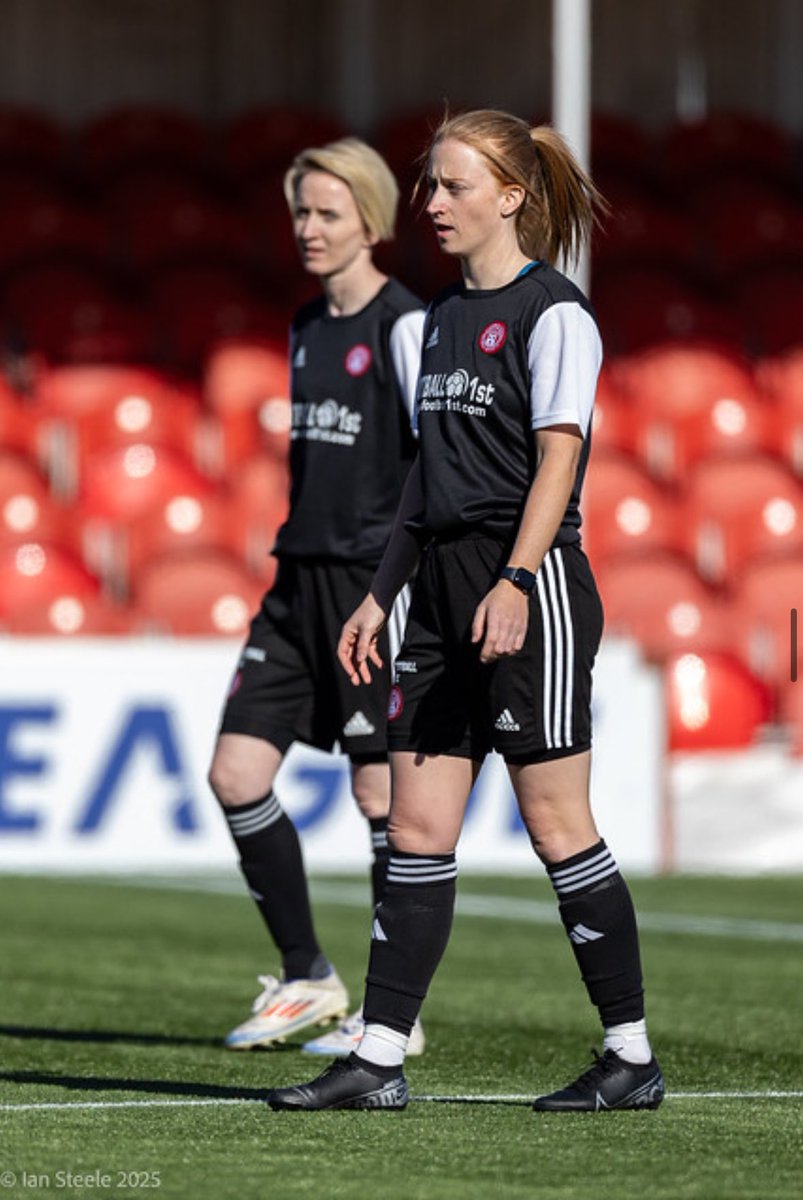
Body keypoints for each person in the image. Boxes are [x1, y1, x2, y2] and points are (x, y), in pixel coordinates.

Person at [267, 109, 664, 1112]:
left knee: (555, 824)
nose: (433, 204)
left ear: (510, 197)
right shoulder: (440, 317)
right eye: (431, 186)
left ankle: (629, 1056)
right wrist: (379, 593)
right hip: (438, 590)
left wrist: (516, 581)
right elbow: (425, 480)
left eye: (452, 186)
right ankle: (378, 1060)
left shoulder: (554, 312)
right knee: (415, 827)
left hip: (527, 585)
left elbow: (559, 459)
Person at [209, 136, 426, 1056]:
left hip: (368, 589)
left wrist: (402, 584)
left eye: (327, 212)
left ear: (369, 222)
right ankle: (307, 977)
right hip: (294, 582)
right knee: (234, 774)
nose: (308, 227)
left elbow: (434, 465)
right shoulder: (305, 325)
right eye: (301, 210)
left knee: (380, 795)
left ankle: (392, 1015)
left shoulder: (405, 326)